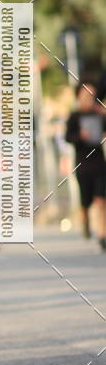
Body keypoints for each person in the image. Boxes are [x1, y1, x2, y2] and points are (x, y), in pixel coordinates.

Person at [65, 82, 106, 250]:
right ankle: (85, 221)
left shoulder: (99, 115)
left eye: (92, 96)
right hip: (82, 165)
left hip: (99, 163)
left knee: (101, 200)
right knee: (86, 202)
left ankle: (102, 235)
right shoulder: (74, 116)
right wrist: (80, 137)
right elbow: (68, 137)